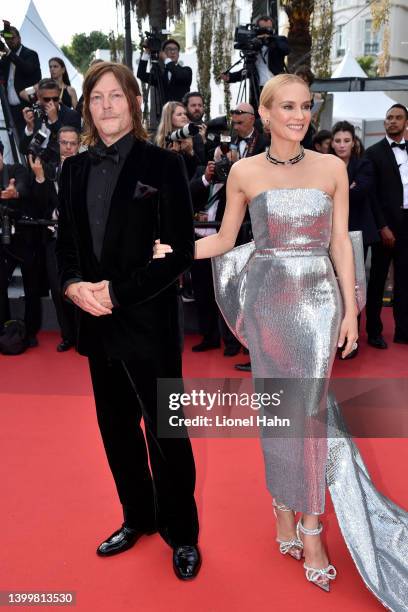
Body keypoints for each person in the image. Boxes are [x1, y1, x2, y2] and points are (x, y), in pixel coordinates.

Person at [153, 74, 408, 607]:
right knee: (277, 413)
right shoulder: (244, 171)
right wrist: (173, 253)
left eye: (305, 107)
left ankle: (312, 526)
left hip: (318, 303)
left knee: (309, 412)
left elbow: (341, 243)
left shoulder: (333, 167)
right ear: (264, 115)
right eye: (286, 107)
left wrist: (350, 312)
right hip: (269, 301)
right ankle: (283, 508)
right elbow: (224, 239)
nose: (298, 116)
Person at [55, 61, 200, 580]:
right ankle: (136, 517)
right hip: (96, 327)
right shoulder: (71, 170)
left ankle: (181, 533)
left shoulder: (161, 165)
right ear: (87, 107)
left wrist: (116, 292)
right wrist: (73, 287)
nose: (107, 106)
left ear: (133, 102)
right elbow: (66, 246)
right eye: (97, 98)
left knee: (167, 434)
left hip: (150, 326)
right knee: (116, 433)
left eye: (116, 96)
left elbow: (181, 251)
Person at [330, 120, 379, 358]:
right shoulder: (326, 164)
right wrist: (348, 188)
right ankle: (335, 338)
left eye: (346, 140)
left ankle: (353, 339)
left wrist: (340, 191)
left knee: (356, 283)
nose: (341, 145)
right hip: (332, 234)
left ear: (354, 142)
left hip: (359, 233)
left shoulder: (364, 163)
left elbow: (362, 192)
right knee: (335, 285)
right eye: (337, 140)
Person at [29, 126, 79, 352]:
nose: (68, 147)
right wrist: (40, 179)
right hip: (53, 240)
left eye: (73, 143)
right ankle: (67, 335)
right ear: (57, 144)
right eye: (64, 143)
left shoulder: (86, 168)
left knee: (81, 288)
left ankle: (83, 334)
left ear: (79, 145)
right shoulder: (48, 170)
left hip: (81, 241)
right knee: (58, 291)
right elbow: (38, 205)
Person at [365, 103, 408, 348]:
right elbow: (372, 195)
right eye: (389, 117)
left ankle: (403, 330)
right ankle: (374, 331)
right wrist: (382, 226)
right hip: (385, 226)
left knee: (405, 279)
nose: (392, 121)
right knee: (378, 280)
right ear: (384, 122)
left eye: (398, 117)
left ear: (405, 122)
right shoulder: (373, 153)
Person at [0, 139, 41, 346]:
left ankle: (31, 330)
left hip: (23, 239)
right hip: (2, 240)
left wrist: (14, 193)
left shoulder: (15, 170)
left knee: (31, 285)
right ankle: (3, 328)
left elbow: (24, 186)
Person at [221, 15, 289, 107]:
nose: (265, 31)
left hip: (277, 87)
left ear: (273, 29)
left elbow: (286, 50)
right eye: (262, 28)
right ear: (256, 29)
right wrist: (232, 77)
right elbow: (248, 70)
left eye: (268, 28)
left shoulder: (279, 40)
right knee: (257, 115)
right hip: (258, 89)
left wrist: (269, 39)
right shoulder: (254, 45)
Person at [0, 25, 41, 141]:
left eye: (12, 38)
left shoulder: (30, 54)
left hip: (28, 108)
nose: (9, 41)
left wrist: (8, 53)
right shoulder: (6, 58)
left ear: (19, 38)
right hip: (11, 110)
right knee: (20, 144)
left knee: (33, 142)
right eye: (7, 39)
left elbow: (27, 69)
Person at [20, 78, 81, 156]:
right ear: (38, 97)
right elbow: (23, 149)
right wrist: (29, 128)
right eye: (47, 99)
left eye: (55, 99)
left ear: (59, 95)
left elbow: (72, 148)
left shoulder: (72, 115)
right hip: (36, 164)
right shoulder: (34, 114)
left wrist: (55, 121)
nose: (51, 103)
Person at [137, 38, 192, 104]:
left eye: (175, 49)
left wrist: (166, 59)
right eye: (169, 49)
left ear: (178, 54)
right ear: (163, 53)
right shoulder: (161, 75)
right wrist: (146, 52)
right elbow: (141, 74)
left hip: (182, 112)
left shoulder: (186, 70)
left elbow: (178, 74)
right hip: (165, 113)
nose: (173, 52)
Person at [155, 101, 200, 179]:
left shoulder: (194, 138)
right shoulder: (161, 142)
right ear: (169, 118)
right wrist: (173, 155)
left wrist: (190, 153)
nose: (184, 116)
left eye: (185, 114)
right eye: (179, 114)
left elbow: (199, 171)